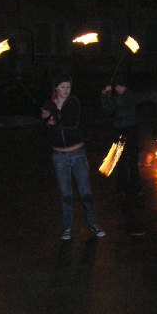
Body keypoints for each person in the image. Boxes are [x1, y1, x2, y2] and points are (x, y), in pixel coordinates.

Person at [41, 74, 105, 241]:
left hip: (77, 153)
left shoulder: (73, 102)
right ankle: (68, 227)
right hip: (59, 156)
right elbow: (45, 132)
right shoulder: (49, 104)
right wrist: (46, 120)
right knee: (65, 194)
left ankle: (93, 224)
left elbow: (71, 122)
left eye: (68, 87)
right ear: (56, 88)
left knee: (85, 192)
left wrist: (54, 119)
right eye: (62, 87)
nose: (66, 90)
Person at [101, 81, 145, 235]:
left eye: (121, 86)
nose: (119, 89)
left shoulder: (130, 95)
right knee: (119, 159)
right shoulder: (113, 96)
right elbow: (108, 110)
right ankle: (121, 187)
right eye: (117, 87)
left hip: (130, 129)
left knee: (132, 160)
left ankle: (136, 187)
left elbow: (121, 109)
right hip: (118, 129)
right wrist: (105, 96)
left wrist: (111, 96)